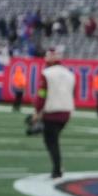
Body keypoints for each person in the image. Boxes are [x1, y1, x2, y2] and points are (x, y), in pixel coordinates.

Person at [34, 47, 75, 179]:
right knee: (54, 140)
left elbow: (42, 94)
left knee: (51, 142)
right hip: (66, 111)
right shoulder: (70, 74)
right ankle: (58, 166)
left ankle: (57, 169)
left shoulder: (47, 73)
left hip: (52, 111)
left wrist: (37, 111)